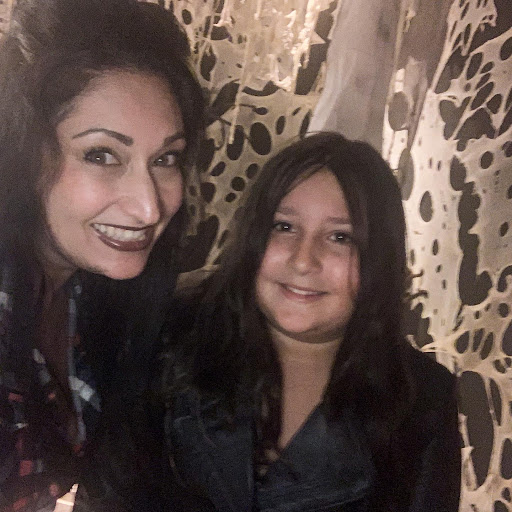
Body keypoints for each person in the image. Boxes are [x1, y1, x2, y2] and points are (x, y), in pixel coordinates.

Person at [163, 132, 461, 511]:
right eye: (284, 226)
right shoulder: (170, 336)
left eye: (339, 237)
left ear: (378, 256)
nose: (303, 260)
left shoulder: (422, 399)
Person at [0, 0, 204, 510]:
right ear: (23, 154)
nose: (149, 206)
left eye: (166, 158)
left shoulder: (90, 291)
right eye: (102, 154)